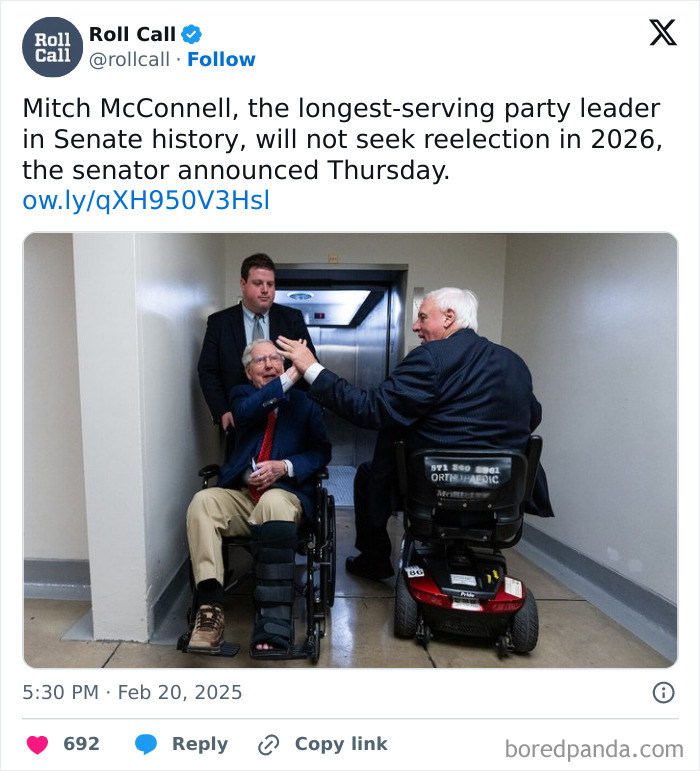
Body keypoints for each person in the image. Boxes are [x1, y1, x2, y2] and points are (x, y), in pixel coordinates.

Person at [277, 286, 553, 582]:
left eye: (422, 317)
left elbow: (370, 409)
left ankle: (374, 559)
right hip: (501, 491)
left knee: (370, 474)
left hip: (437, 488)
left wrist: (312, 369)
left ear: (449, 317)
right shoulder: (513, 362)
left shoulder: (430, 358)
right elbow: (532, 416)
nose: (415, 326)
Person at [186, 339, 331, 656]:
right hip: (242, 496)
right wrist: (293, 373)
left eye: (276, 359)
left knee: (274, 501)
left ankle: (273, 618)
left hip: (286, 497)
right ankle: (210, 610)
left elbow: (321, 452)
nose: (269, 364)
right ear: (247, 371)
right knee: (203, 502)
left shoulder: (306, 403)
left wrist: (285, 467)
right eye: (261, 360)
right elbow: (248, 411)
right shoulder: (241, 396)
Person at [197, 252, 316, 432]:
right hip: (239, 420)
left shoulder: (292, 319)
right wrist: (222, 410)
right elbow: (208, 371)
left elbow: (309, 363)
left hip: (286, 418)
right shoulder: (219, 322)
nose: (265, 290)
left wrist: (310, 409)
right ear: (243, 284)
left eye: (270, 284)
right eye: (258, 283)